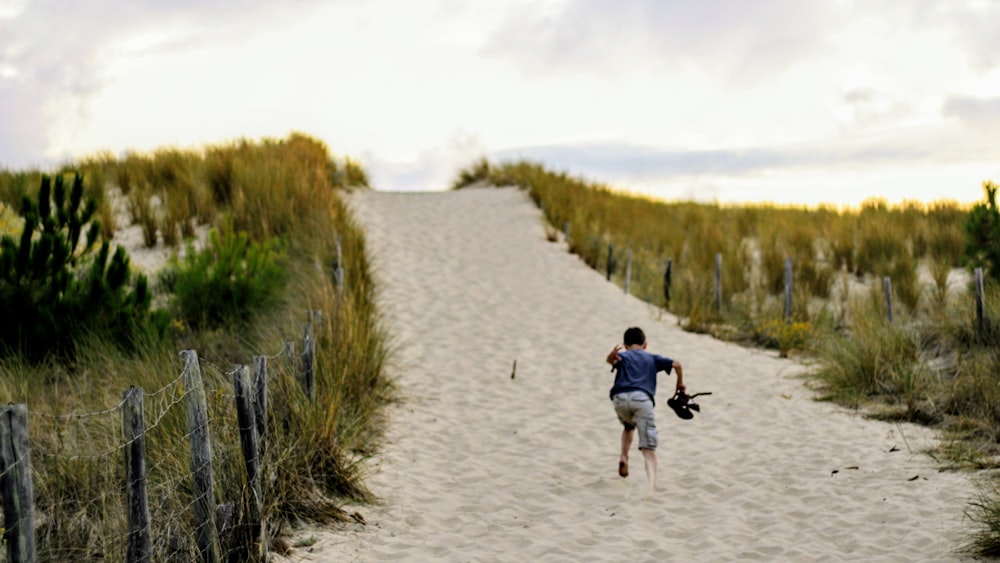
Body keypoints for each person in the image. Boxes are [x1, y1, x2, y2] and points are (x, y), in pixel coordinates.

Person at [605, 326, 684, 491]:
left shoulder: (623, 356)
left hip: (619, 399)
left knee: (628, 426)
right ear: (645, 345)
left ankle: (623, 457)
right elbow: (677, 364)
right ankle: (652, 486)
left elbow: (611, 360)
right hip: (641, 399)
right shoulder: (652, 358)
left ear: (625, 345)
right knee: (648, 448)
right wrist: (680, 384)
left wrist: (611, 357)